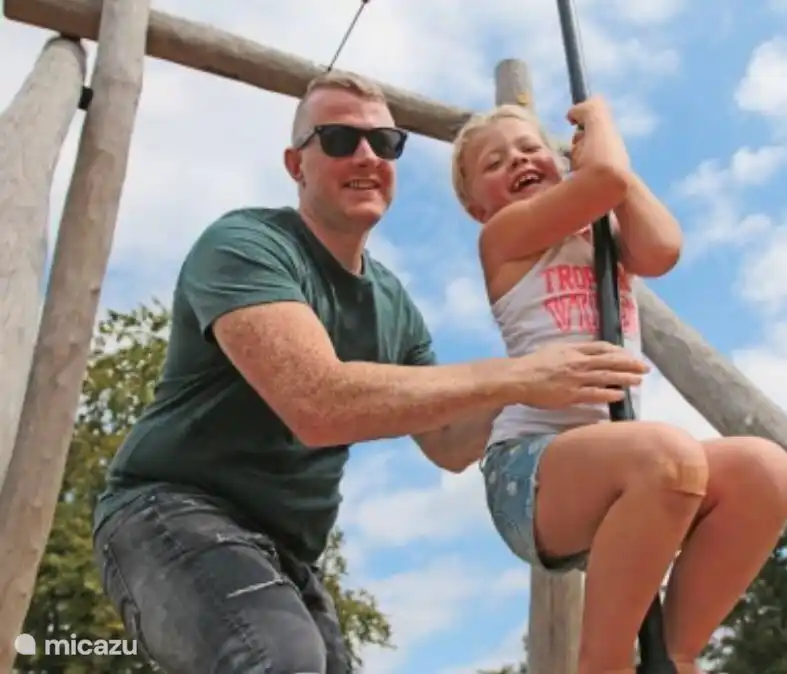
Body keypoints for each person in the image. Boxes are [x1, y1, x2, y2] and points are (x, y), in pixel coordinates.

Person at [90, 73, 652, 674]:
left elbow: (448, 443)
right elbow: (318, 403)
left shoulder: (393, 305)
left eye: (385, 143)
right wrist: (519, 377)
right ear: (296, 165)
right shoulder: (246, 244)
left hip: (290, 549)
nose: (366, 156)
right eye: (339, 139)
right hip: (169, 511)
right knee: (279, 662)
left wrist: (555, 366)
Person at [449, 97, 787, 674]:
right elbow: (607, 178)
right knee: (668, 456)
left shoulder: (606, 233)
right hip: (531, 472)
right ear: (476, 207)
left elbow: (662, 249)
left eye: (531, 148)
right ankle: (604, 663)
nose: (518, 160)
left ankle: (675, 656)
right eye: (494, 163)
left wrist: (607, 172)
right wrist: (601, 123)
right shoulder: (504, 236)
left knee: (766, 471)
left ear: (561, 161)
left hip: (623, 466)